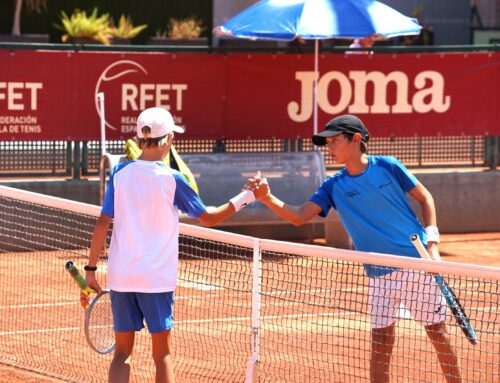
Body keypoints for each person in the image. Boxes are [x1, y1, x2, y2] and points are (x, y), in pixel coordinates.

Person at [246, 114, 462, 383]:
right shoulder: (333, 185)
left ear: (356, 139)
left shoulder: (388, 166)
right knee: (380, 343)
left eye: (335, 141)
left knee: (437, 333)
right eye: (328, 142)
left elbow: (425, 198)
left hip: (417, 263)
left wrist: (433, 245)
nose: (330, 147)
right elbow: (299, 215)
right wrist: (266, 196)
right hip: (378, 273)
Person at [80, 107, 256, 383]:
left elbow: (103, 222)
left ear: (139, 140)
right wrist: (246, 197)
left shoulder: (119, 172)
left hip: (121, 276)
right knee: (162, 354)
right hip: (155, 279)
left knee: (122, 353)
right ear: (169, 140)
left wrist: (90, 270)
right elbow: (208, 218)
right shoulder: (173, 179)